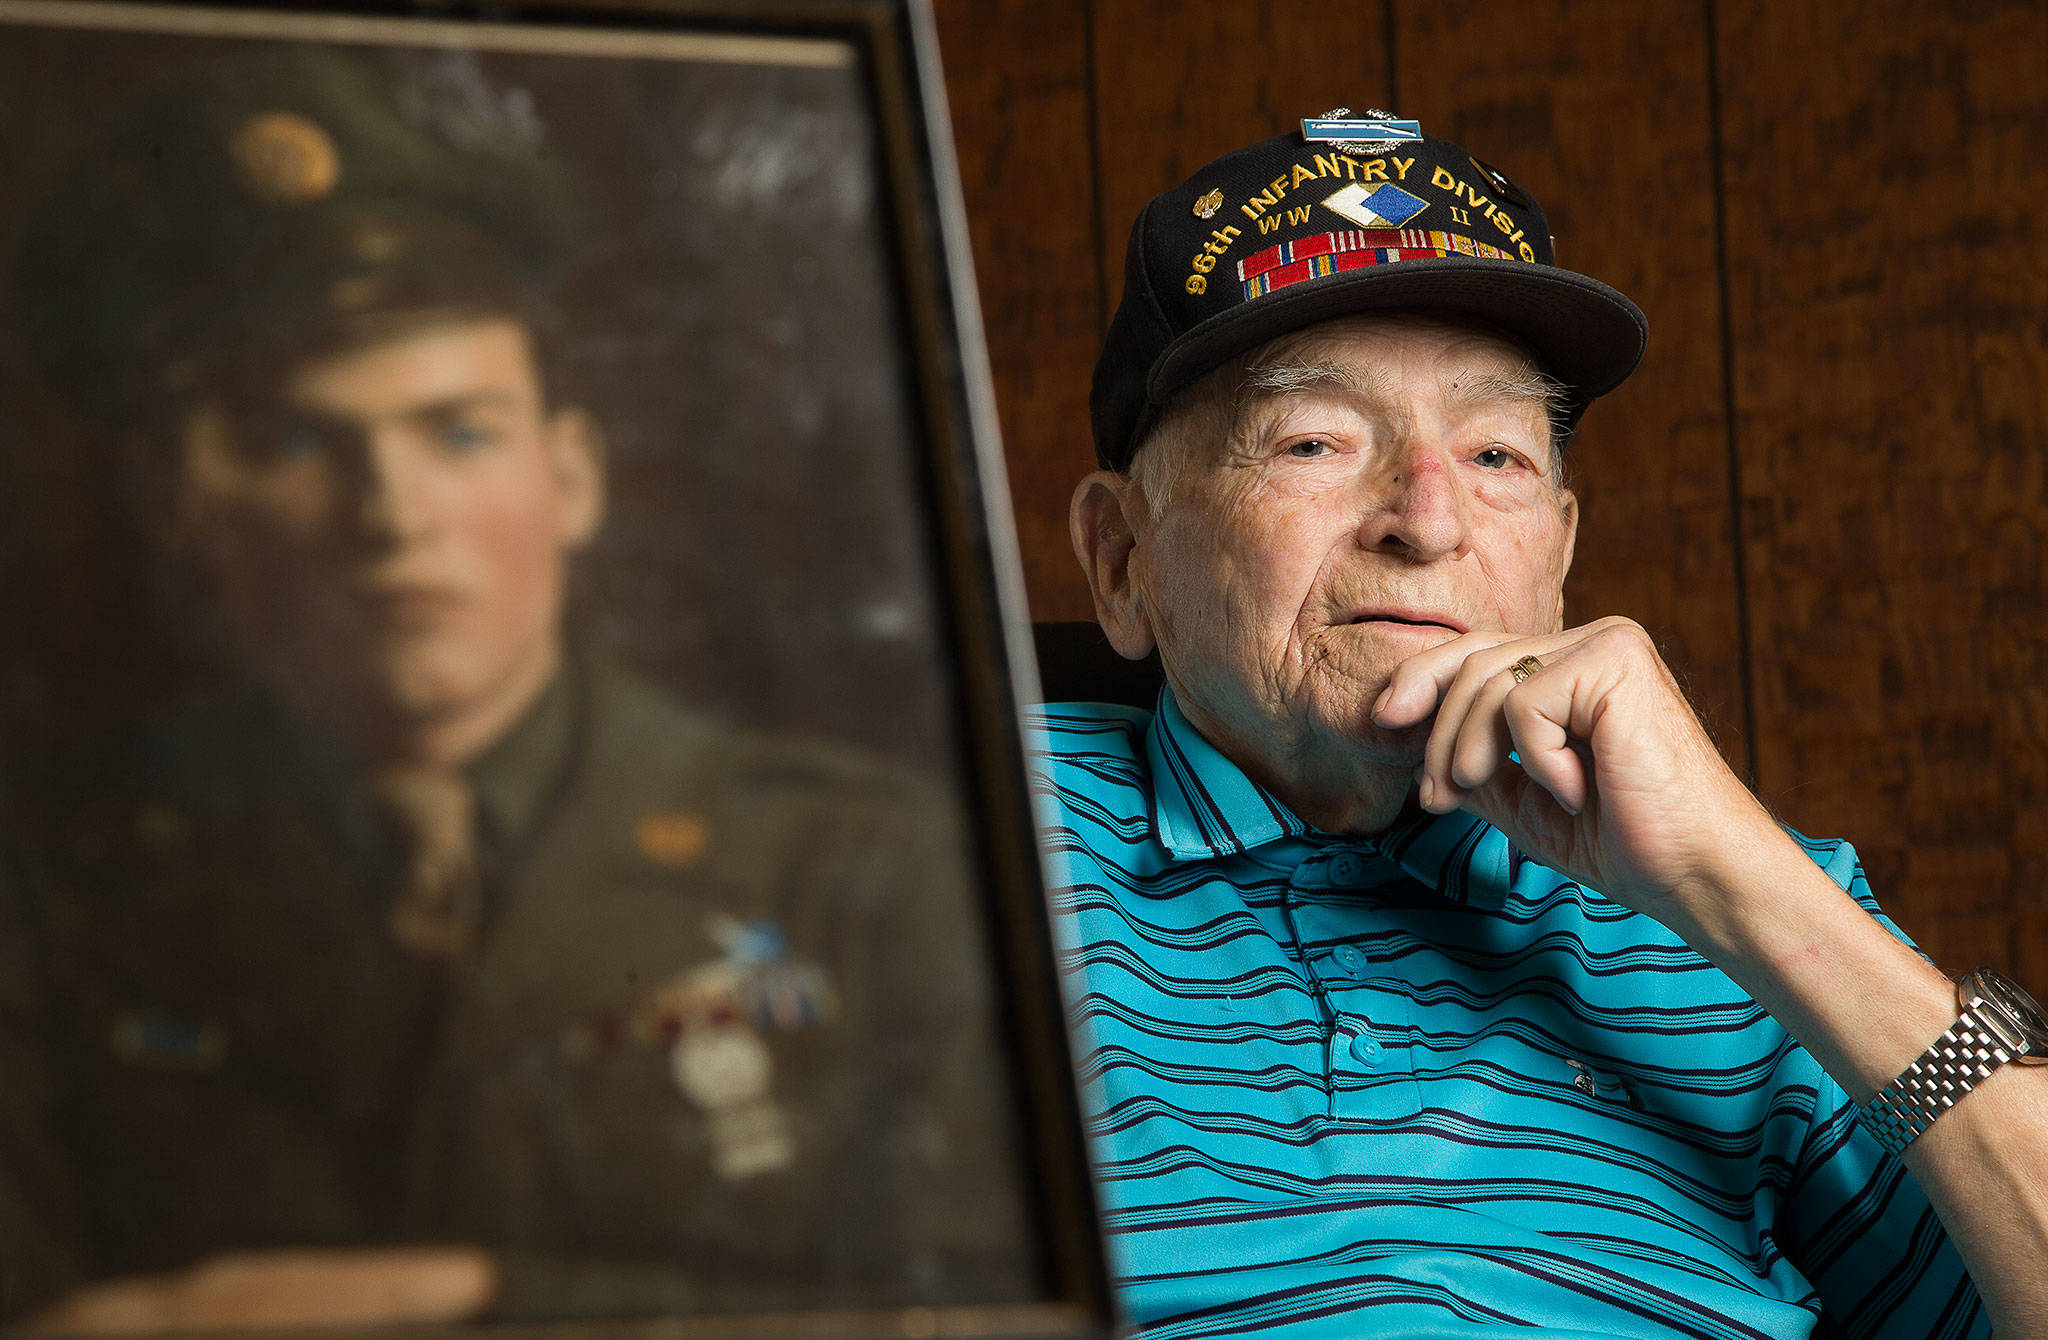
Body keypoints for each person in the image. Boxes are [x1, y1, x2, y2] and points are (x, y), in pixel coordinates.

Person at [0, 50, 1028, 1329]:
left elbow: (992, 1306)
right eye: (296, 442)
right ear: (176, 507)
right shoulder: (52, 881)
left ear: (574, 475)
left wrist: (471, 1296)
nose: (392, 518)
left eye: (459, 431)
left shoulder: (858, 857)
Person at [1029, 112, 2048, 1336]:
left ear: (1558, 558)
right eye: (1313, 439)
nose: (1428, 519)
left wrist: (1744, 888)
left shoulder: (1760, 907)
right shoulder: (948, 841)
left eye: (1496, 455)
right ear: (1122, 559)